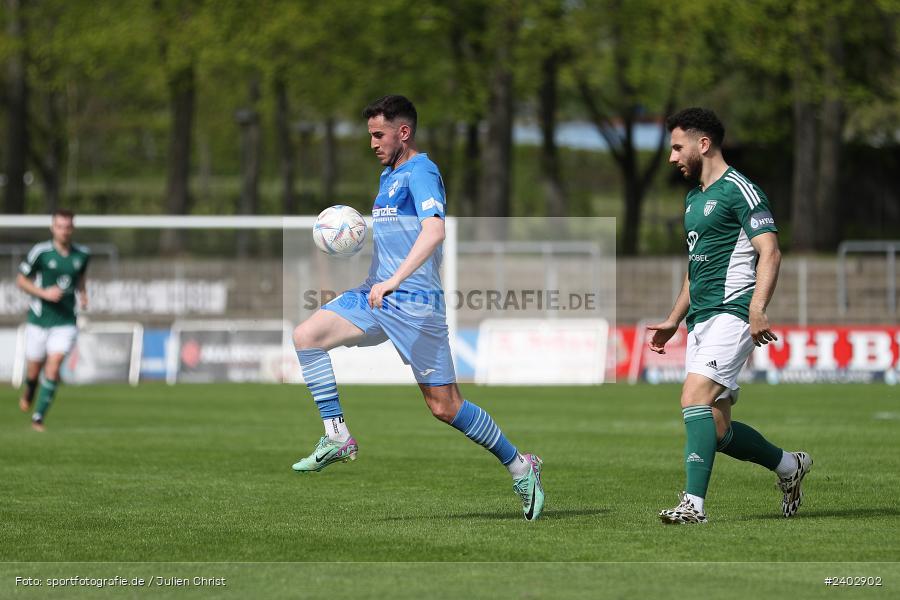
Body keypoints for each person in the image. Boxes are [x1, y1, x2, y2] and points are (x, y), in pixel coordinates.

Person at [291, 95, 545, 520]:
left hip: (414, 306)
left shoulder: (421, 171)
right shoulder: (388, 175)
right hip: (376, 296)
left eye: (378, 134)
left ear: (403, 132)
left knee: (445, 407)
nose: (372, 143)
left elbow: (435, 231)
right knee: (306, 337)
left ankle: (522, 467)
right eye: (370, 134)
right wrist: (377, 274)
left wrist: (394, 280)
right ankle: (336, 435)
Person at [648, 108, 812, 524]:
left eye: (676, 147)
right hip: (701, 319)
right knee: (718, 431)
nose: (672, 157)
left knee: (692, 398)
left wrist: (757, 308)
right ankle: (789, 466)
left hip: (733, 312)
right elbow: (695, 268)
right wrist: (673, 319)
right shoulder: (693, 200)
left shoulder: (742, 189)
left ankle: (693, 506)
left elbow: (770, 250)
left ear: (703, 145)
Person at [16, 209, 90, 432]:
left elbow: (81, 279)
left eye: (67, 227)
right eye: (60, 226)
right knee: (33, 370)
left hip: (66, 321)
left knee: (54, 366)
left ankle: (38, 418)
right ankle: (30, 389)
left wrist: (83, 294)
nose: (64, 231)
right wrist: (44, 293)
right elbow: (21, 280)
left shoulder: (82, 254)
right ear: (52, 228)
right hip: (39, 320)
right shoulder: (41, 252)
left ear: (72, 228)